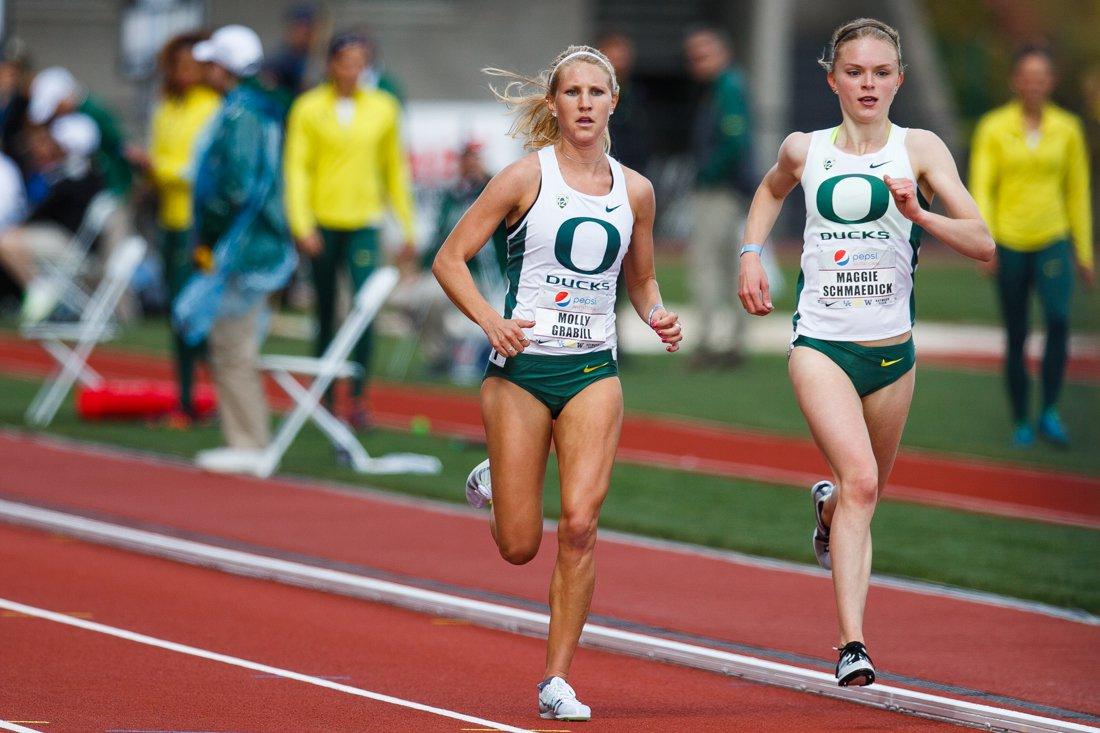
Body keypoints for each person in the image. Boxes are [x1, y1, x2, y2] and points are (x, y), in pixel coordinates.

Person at [737, 18, 993, 687]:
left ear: (899, 79)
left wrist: (922, 214)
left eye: (882, 72)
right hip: (821, 344)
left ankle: (824, 512)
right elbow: (769, 189)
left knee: (857, 494)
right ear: (834, 79)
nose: (869, 83)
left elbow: (983, 242)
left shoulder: (922, 148)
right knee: (863, 481)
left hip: (893, 354)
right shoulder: (805, 148)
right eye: (856, 72)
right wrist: (750, 254)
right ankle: (852, 643)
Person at [432, 45, 683, 720]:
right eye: (571, 92)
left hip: (594, 370)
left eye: (595, 92)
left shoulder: (636, 191)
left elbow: (642, 277)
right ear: (554, 103)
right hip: (520, 372)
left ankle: (556, 679)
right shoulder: (522, 178)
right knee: (520, 545)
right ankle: (498, 475)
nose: (583, 103)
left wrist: (655, 312)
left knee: (579, 523)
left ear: (613, 102)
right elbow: (449, 259)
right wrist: (490, 321)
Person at [284, 31, 416, 429]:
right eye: (346, 60)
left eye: (361, 61)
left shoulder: (383, 108)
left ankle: (357, 399)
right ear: (331, 63)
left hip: (363, 222)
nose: (353, 69)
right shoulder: (308, 107)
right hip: (322, 224)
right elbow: (296, 168)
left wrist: (407, 227)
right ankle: (322, 395)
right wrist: (301, 222)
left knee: (364, 308)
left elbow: (394, 168)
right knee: (325, 312)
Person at [175, 25, 296, 457]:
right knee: (229, 343)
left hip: (243, 245)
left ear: (225, 67)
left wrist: (209, 232)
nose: (205, 69)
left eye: (211, 62)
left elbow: (236, 187)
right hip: (245, 243)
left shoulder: (243, 115)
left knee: (233, 345)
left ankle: (248, 442)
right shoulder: (250, 109)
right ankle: (242, 437)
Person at [969, 45, 1093, 447]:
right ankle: (1022, 418)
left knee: (1058, 320)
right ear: (1015, 81)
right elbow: (982, 186)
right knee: (1017, 332)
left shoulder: (1069, 129)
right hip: (1008, 240)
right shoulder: (992, 127)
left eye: (1042, 77)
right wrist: (984, 241)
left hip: (1053, 238)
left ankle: (1051, 412)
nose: (1035, 84)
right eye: (1028, 76)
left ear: (1051, 82)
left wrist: (1085, 251)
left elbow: (1078, 192)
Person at [143, 32, 221, 424]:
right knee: (177, 312)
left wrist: (160, 169)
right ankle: (186, 396)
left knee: (203, 313)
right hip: (171, 222)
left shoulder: (212, 107)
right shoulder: (165, 108)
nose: (187, 72)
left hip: (200, 227)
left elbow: (199, 170)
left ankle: (221, 393)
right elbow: (161, 164)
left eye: (195, 65)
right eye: (181, 65)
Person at [684, 27, 754, 367]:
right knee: (728, 266)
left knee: (709, 266)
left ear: (722, 55)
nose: (697, 63)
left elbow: (734, 141)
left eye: (703, 55)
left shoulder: (726, 88)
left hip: (720, 190)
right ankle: (733, 339)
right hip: (731, 189)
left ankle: (711, 340)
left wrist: (707, 174)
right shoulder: (724, 87)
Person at [0, 113, 104, 323]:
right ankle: (37, 289)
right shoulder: (66, 172)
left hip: (70, 244)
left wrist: (24, 226)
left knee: (6, 242)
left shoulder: (77, 175)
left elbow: (53, 211)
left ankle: (38, 288)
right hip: (60, 239)